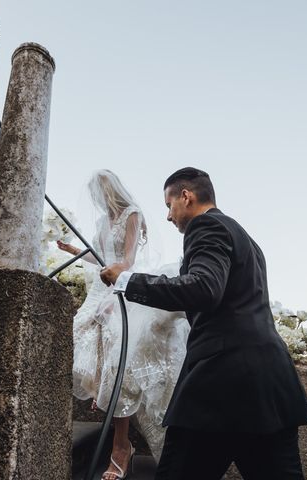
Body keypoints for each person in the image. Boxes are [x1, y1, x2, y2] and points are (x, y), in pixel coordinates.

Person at [100, 167, 307, 480]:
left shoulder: (206, 226)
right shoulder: (246, 239)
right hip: (269, 386)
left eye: (169, 205)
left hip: (220, 383)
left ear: (186, 196)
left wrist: (126, 280)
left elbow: (203, 287)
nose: (169, 216)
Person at [58, 170, 189, 480]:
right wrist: (74, 252)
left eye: (99, 194)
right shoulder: (103, 223)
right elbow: (98, 256)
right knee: (79, 337)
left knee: (119, 351)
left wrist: (115, 285)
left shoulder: (131, 214)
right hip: (99, 287)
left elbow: (127, 260)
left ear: (109, 191)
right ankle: (102, 396)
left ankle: (121, 445)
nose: (97, 201)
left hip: (119, 285)